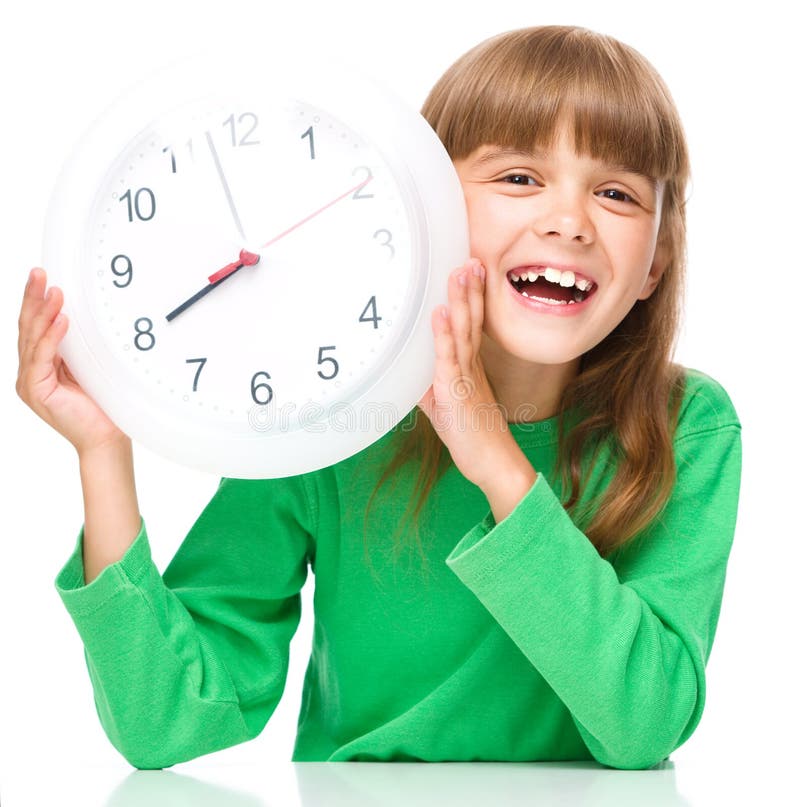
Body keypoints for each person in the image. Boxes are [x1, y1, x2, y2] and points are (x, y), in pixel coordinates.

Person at [16, 25, 741, 771]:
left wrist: (493, 457)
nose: (569, 221)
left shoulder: (688, 426)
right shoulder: (328, 409)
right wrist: (103, 452)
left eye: (616, 192)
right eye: (519, 178)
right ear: (428, 207)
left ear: (656, 260)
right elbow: (165, 723)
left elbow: (645, 722)